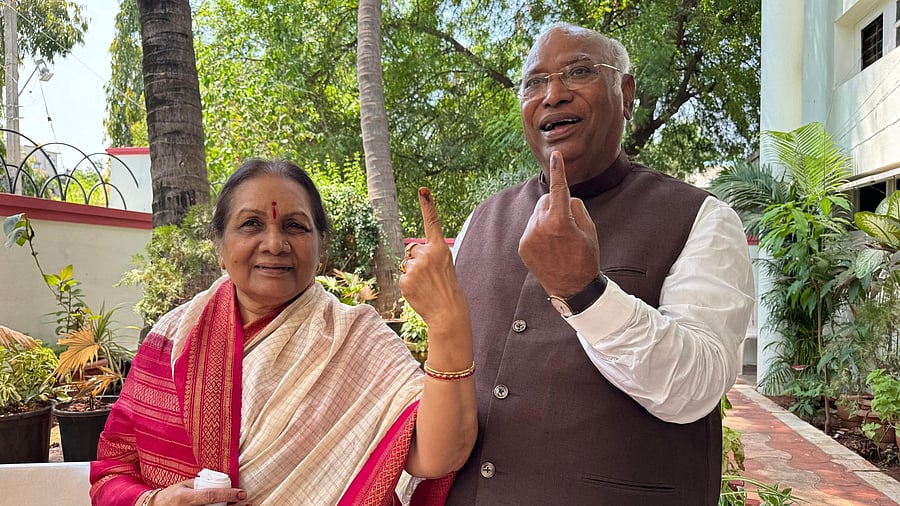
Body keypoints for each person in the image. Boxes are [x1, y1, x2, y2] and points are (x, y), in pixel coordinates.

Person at [444, 24, 755, 505]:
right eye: (534, 82)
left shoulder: (699, 218)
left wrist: (585, 292)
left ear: (626, 95)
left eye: (579, 72)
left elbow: (697, 386)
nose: (553, 95)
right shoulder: (480, 220)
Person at [90, 159, 477, 505]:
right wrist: (154, 502)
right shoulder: (171, 338)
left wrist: (446, 321)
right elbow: (110, 473)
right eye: (251, 224)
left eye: (294, 226)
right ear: (219, 247)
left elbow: (437, 455)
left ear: (319, 247)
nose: (275, 244)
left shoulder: (356, 338)